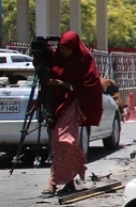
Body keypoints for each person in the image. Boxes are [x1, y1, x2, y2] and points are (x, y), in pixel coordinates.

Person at [42, 31, 104, 196]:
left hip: (72, 104)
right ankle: (68, 181)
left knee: (64, 141)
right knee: (57, 143)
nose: (65, 52)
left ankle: (53, 182)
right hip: (54, 104)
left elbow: (91, 84)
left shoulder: (83, 59)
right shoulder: (56, 58)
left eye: (68, 49)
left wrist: (64, 84)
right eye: (62, 48)